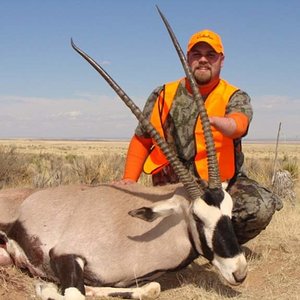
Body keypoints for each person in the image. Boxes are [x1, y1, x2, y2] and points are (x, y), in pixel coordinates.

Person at [116, 29, 282, 244]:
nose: (203, 60)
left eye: (210, 55)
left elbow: (239, 123)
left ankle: (219, 246)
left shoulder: (234, 95)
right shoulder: (163, 94)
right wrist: (129, 179)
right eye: (197, 54)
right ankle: (188, 243)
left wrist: (225, 124)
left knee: (259, 207)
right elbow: (142, 138)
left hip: (220, 185)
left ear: (221, 60)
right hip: (172, 186)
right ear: (187, 58)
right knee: (134, 213)